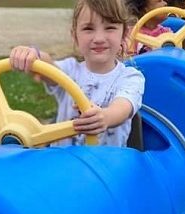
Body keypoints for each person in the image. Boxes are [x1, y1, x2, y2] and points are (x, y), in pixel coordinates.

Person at [9, 0, 145, 147]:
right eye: (88, 28)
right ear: (75, 36)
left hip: (105, 166)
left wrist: (105, 117)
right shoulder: (69, 71)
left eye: (110, 27)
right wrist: (32, 54)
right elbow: (46, 65)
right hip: (63, 163)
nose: (99, 39)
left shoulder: (130, 77)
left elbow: (122, 108)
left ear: (124, 34)